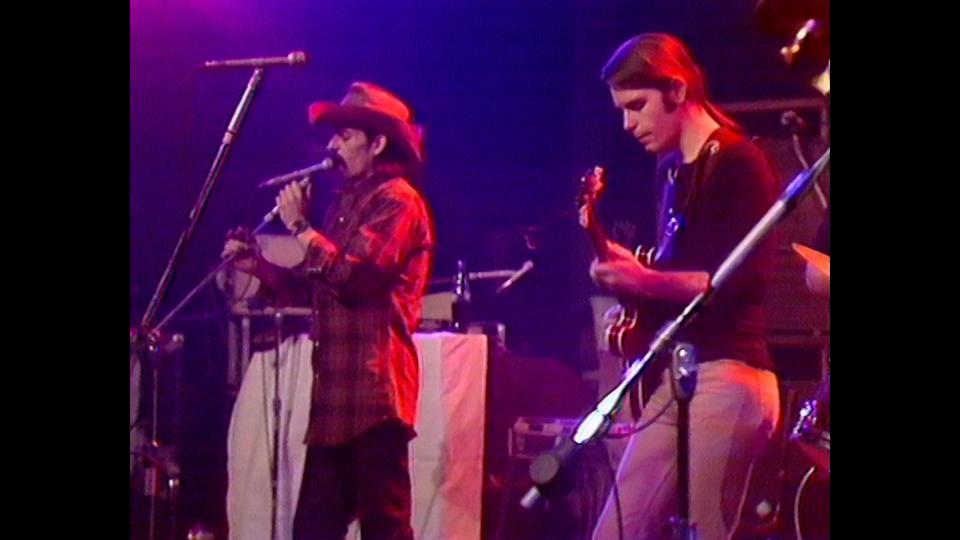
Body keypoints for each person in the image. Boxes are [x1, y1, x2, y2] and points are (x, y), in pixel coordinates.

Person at [586, 34, 781, 540]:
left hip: (730, 373)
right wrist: (637, 273)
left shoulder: (739, 162)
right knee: (616, 531)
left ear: (676, 90)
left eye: (637, 106)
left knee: (705, 531)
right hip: (682, 373)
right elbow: (683, 271)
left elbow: (733, 282)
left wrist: (642, 278)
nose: (628, 124)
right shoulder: (672, 171)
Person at [222, 81, 434, 540]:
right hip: (335, 403)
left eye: (345, 136)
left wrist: (299, 225)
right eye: (333, 136)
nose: (333, 146)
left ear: (378, 143)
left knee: (386, 530)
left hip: (375, 397)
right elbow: (318, 290)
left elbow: (354, 278)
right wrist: (257, 266)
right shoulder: (343, 203)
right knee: (313, 531)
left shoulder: (398, 200)